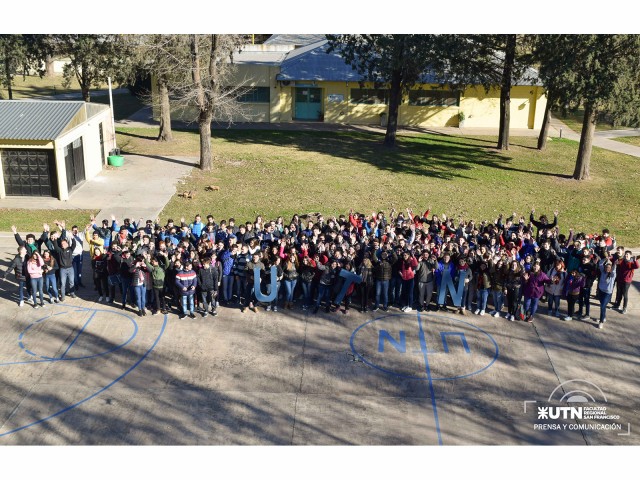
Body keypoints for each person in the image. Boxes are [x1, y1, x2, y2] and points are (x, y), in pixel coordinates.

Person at [596, 259, 616, 329]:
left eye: (609, 268)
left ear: (611, 269)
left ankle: (601, 322)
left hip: (607, 293)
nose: (607, 268)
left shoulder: (612, 275)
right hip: (601, 291)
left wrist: (614, 264)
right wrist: (606, 258)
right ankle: (603, 317)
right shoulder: (603, 272)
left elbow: (614, 269)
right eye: (606, 267)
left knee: (602, 306)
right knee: (603, 306)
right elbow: (600, 264)